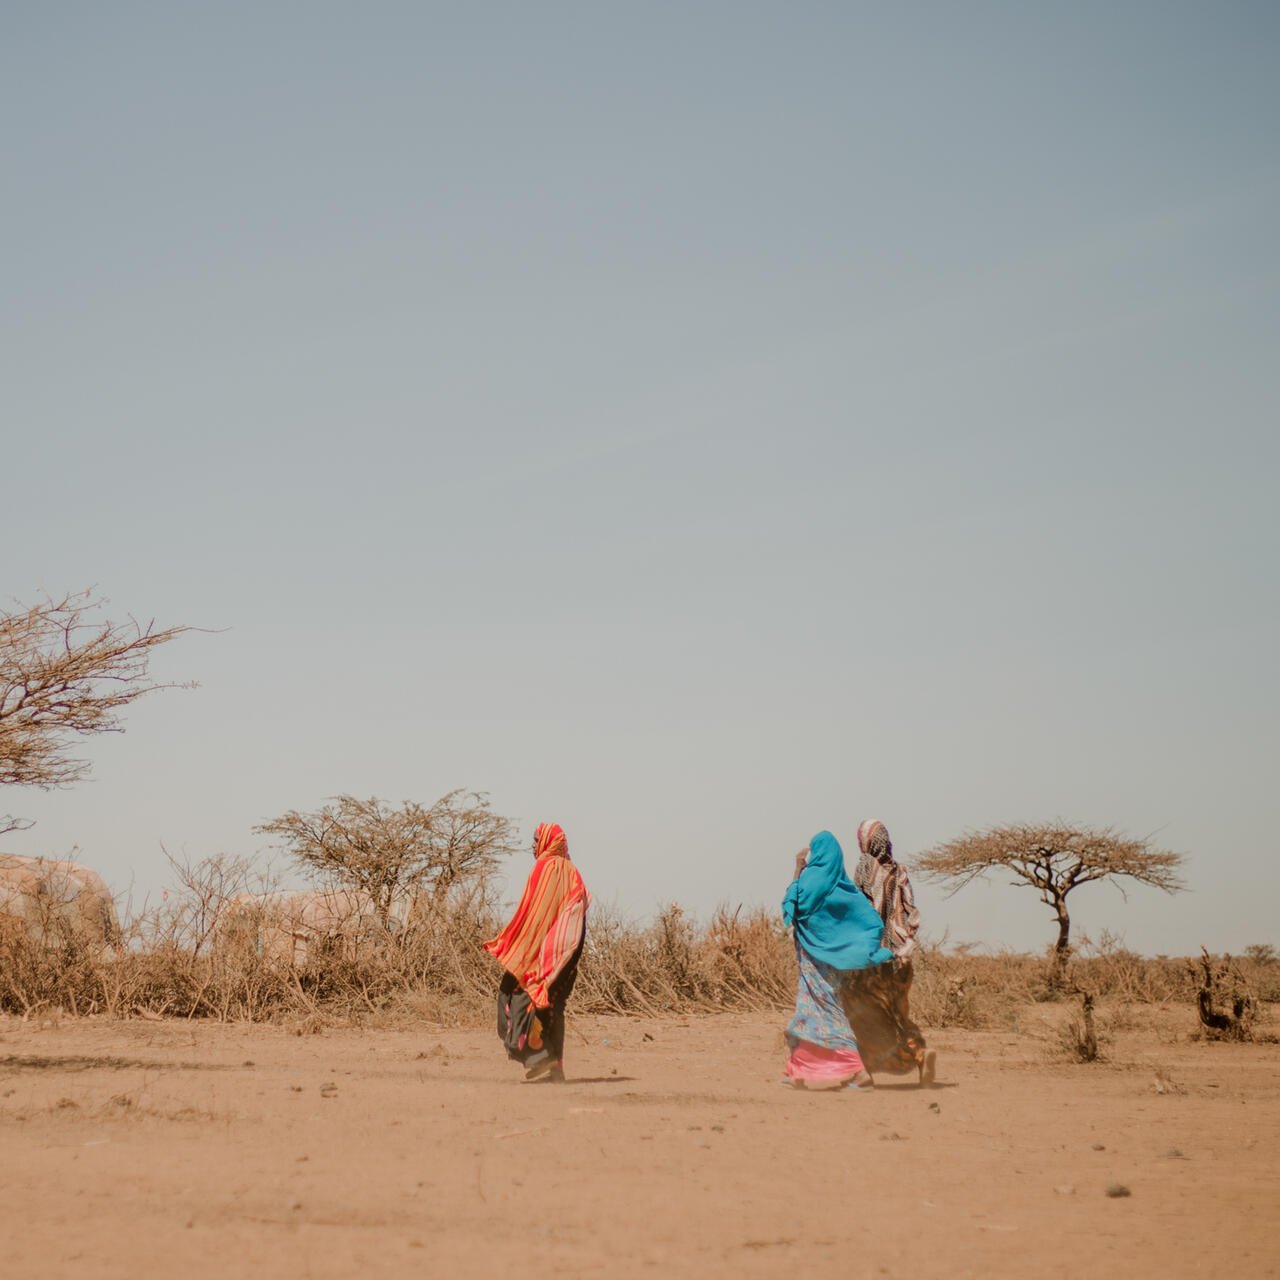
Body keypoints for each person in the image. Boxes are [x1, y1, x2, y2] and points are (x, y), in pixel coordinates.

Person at [781, 830, 892, 1090]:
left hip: (812, 962)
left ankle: (855, 1069)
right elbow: (869, 921)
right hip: (834, 964)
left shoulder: (809, 881)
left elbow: (790, 905)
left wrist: (797, 870)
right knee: (816, 1011)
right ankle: (796, 1070)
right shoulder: (843, 886)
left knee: (819, 1012)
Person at [483, 822, 589, 1082]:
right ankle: (555, 1070)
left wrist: (516, 949)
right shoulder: (573, 872)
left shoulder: (545, 868)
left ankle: (540, 1058)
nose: (531, 845)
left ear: (547, 843)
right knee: (553, 1008)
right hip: (567, 954)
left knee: (512, 996)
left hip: (544, 955)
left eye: (535, 840)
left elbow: (533, 918)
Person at [844, 818, 935, 1085]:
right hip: (901, 957)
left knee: (860, 1011)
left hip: (873, 957)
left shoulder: (864, 867)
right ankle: (919, 1052)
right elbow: (911, 912)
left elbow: (858, 910)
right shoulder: (901, 871)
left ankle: (864, 1072)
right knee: (896, 1011)